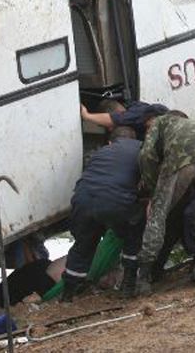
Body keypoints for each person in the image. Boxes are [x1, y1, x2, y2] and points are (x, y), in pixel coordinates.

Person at [136, 111, 195, 293]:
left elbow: (146, 155)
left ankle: (143, 280)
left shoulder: (160, 121)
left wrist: (153, 190)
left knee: (157, 216)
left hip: (182, 157)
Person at [61, 126, 146, 301]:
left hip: (83, 199)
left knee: (84, 243)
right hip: (115, 201)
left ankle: (68, 293)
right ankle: (128, 284)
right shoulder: (141, 148)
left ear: (110, 141)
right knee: (134, 232)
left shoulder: (100, 152)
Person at [80, 100, 168, 139]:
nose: (110, 130)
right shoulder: (133, 109)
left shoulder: (137, 114)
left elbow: (115, 119)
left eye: (109, 126)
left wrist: (87, 116)